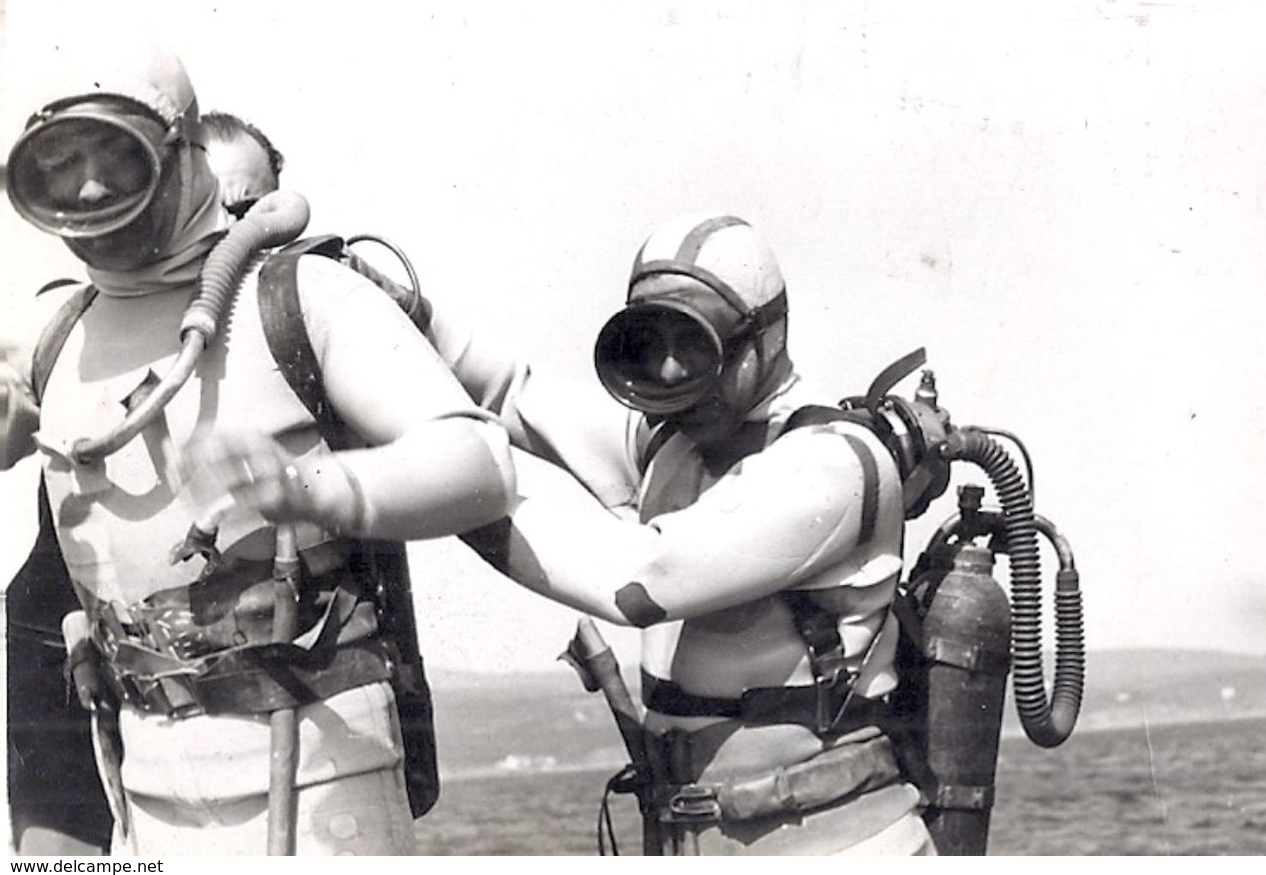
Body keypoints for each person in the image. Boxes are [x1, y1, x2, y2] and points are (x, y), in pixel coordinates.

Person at [201, 212, 937, 856]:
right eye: (650, 344)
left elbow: (647, 579)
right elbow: (514, 394)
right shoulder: (674, 446)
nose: (674, 369)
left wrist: (416, 487)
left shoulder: (832, 464)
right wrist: (394, 308)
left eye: (698, 344)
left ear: (766, 338)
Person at [1, 34, 518, 856]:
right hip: (142, 779)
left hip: (318, 769)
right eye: (59, 165)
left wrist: (312, 488)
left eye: (117, 158)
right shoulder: (52, 334)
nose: (91, 188)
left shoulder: (304, 295)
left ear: (181, 151)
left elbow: (481, 464)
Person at [4, 108, 294, 856]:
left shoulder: (291, 319)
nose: (228, 234)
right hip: (67, 638)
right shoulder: (71, 333)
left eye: (248, 212)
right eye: (214, 206)